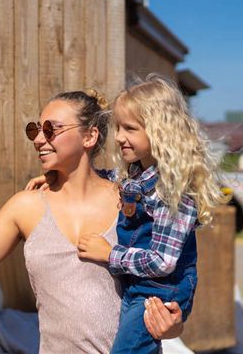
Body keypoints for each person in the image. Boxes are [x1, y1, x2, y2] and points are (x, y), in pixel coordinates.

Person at [0, 89, 185, 353]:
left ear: (89, 136)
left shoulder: (128, 200)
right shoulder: (26, 207)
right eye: (35, 130)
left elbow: (168, 283)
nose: (39, 139)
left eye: (51, 129)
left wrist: (173, 324)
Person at [70, 75, 229, 354]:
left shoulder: (174, 191)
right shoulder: (137, 173)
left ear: (159, 132)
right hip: (139, 286)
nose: (119, 137)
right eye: (118, 128)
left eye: (129, 128)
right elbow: (109, 179)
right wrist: (61, 180)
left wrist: (109, 254)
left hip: (160, 290)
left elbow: (163, 261)